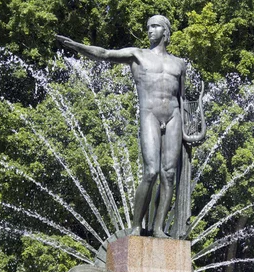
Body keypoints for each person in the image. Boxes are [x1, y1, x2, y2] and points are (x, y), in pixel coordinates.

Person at [56, 15, 186, 238]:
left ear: (165, 31)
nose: (149, 31)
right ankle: (137, 225)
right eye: (148, 27)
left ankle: (158, 228)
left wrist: (188, 130)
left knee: (169, 174)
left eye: (154, 26)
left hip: (174, 117)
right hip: (150, 115)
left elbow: (183, 98)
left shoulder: (179, 64)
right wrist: (77, 46)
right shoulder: (137, 55)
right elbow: (105, 54)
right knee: (151, 171)